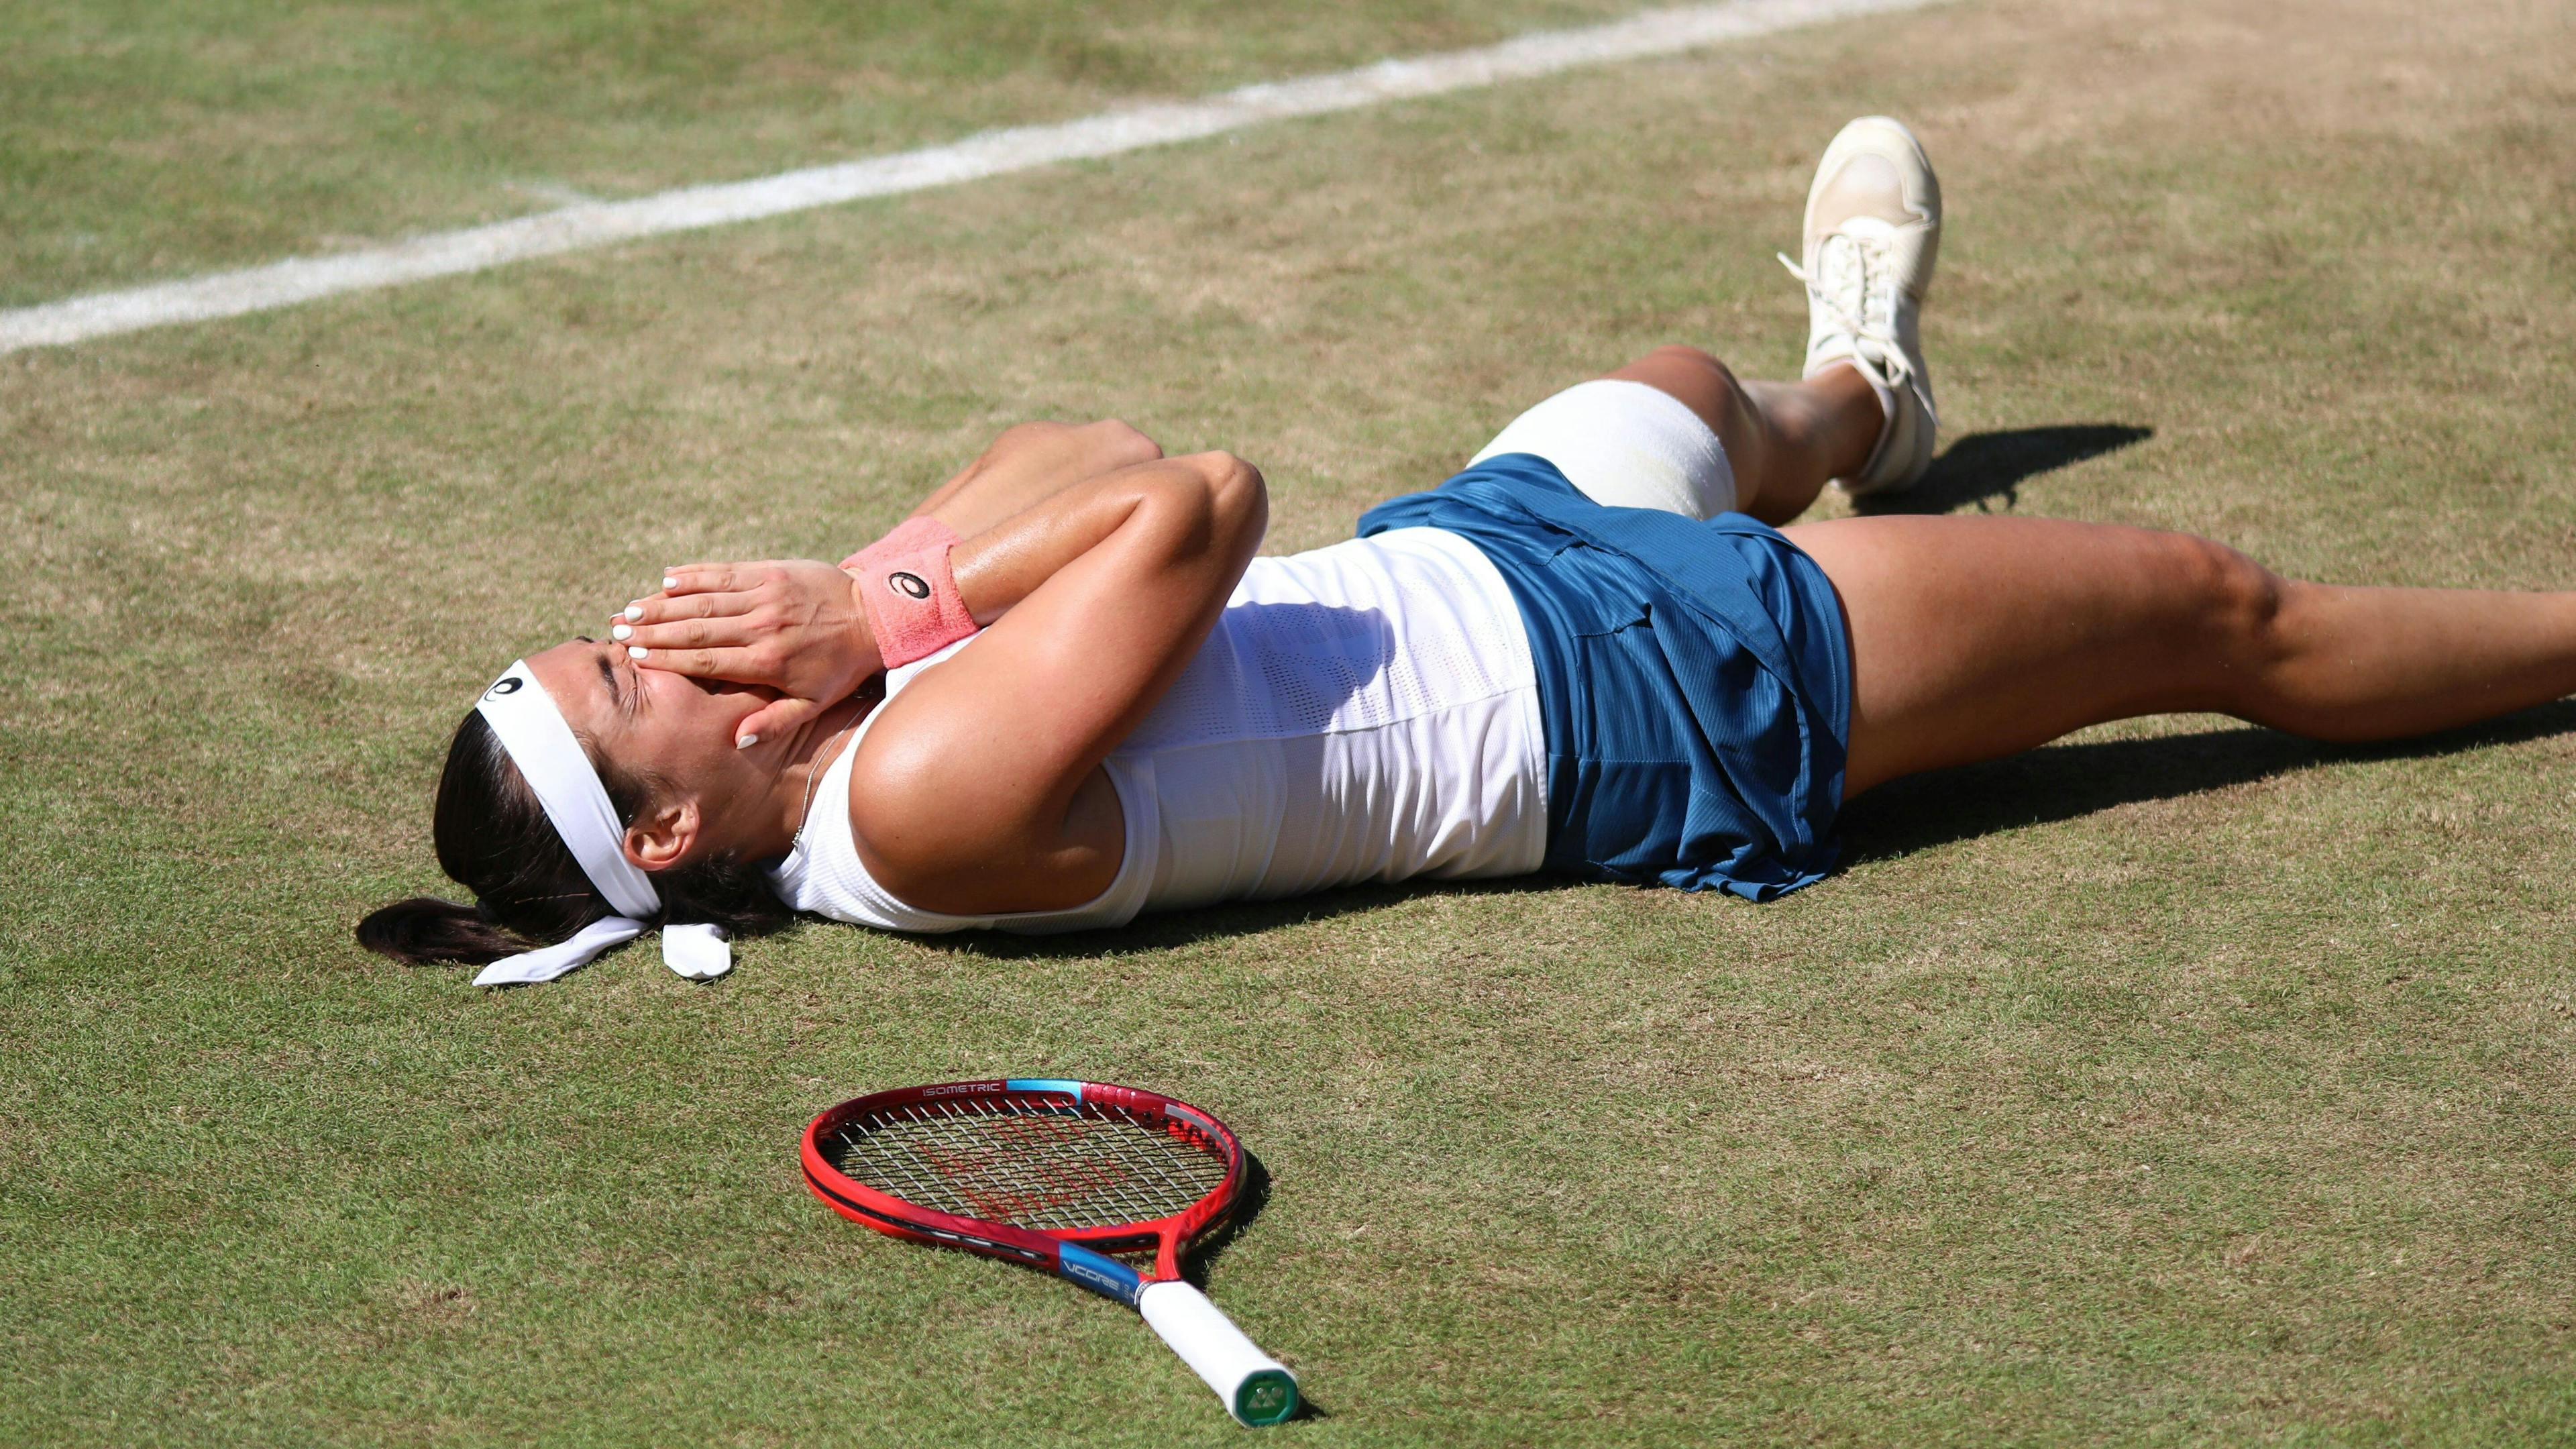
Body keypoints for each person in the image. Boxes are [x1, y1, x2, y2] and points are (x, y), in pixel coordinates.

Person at [361, 117, 2576, 985]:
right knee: (2211, 612)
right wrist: (881, 606)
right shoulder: (910, 808)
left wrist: (873, 599)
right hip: (1645, 699)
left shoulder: (850, 710)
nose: (678, 631)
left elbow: (1084, 442)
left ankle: (1866, 405)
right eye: (636, 676)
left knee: (1699, 387)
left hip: (1491, 549)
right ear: (670, 815)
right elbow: (1187, 496)